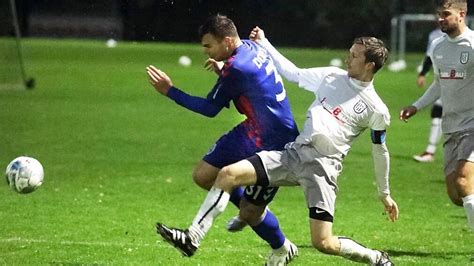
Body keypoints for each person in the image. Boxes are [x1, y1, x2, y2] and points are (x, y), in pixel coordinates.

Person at [156, 26, 399, 265]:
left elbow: (380, 150)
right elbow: (292, 73)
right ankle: (192, 237)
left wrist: (385, 194)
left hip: (323, 169)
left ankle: (374, 258)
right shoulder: (332, 76)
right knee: (228, 174)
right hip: (293, 154)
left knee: (323, 243)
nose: (348, 59)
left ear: (369, 65)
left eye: (355, 56)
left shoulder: (377, 109)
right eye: (350, 52)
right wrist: (264, 42)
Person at [147, 15, 300, 264]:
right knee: (204, 176)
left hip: (276, 142)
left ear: (227, 41)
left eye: (209, 45)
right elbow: (249, 86)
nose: (205, 51)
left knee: (251, 212)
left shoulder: (237, 68)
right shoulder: (249, 49)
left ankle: (281, 248)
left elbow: (210, 108)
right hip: (253, 129)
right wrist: (223, 72)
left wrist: (169, 90)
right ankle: (238, 206)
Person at [400, 0, 474, 231]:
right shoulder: (438, 47)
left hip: (472, 124)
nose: (440, 19)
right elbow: (439, 84)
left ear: (461, 14)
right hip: (451, 125)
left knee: (463, 181)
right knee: (455, 195)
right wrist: (416, 106)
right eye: (438, 15)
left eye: (445, 14)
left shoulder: (472, 45)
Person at [413, 27, 445, 163]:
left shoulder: (468, 39)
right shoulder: (435, 36)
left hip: (462, 86)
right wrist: (422, 73)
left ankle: (430, 151)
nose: (441, 18)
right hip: (445, 82)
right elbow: (429, 56)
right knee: (438, 111)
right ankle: (430, 151)